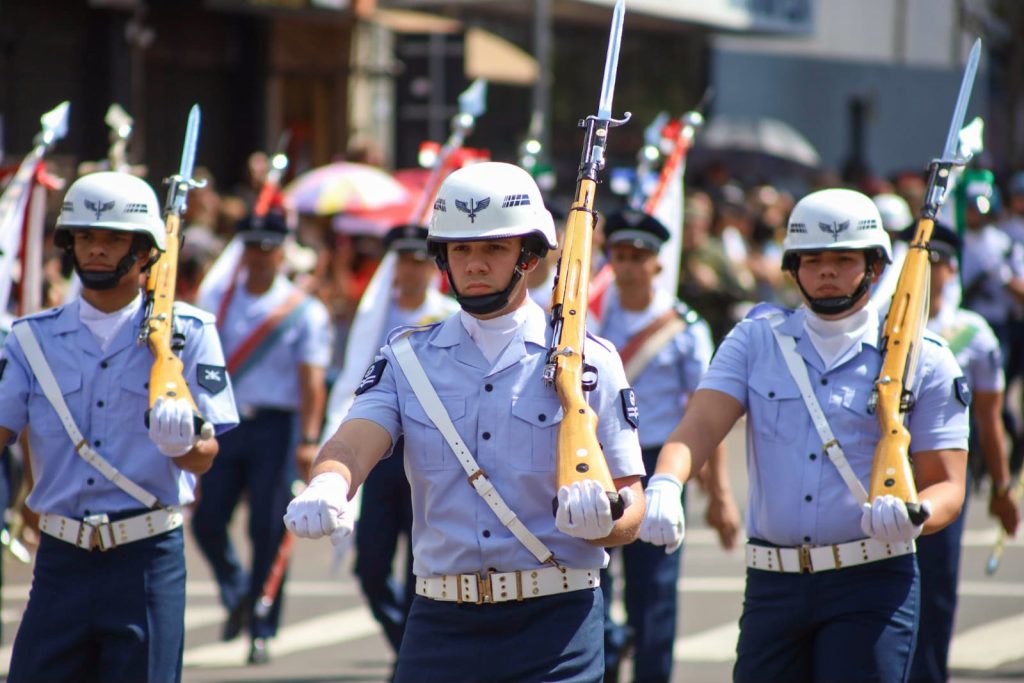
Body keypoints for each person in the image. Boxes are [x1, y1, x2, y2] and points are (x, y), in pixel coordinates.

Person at [284, 161, 646, 683]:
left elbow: (631, 497)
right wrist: (327, 483)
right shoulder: (408, 357)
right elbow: (355, 439)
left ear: (527, 256)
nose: (475, 263)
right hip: (441, 622)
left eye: (493, 248)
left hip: (556, 619)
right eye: (461, 249)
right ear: (443, 258)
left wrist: (608, 520)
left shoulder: (588, 361)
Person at [639, 188, 970, 683]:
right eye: (811, 260)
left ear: (875, 266)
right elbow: (700, 425)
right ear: (792, 268)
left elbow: (949, 482)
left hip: (871, 580)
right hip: (774, 583)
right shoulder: (755, 341)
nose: (827, 272)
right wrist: (666, 482)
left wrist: (915, 515)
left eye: (843, 259)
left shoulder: (924, 356)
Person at [0, 171, 238, 683]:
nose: (96, 251)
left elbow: (205, 453)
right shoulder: (28, 341)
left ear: (147, 250)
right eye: (85, 237)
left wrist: (183, 443)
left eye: (112, 239)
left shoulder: (188, 334)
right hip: (60, 559)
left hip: (146, 559)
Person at [596, 208, 741, 683]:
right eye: (621, 254)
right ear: (609, 259)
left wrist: (717, 493)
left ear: (659, 263)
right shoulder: (587, 318)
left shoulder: (684, 327)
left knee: (654, 592)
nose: (631, 264)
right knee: (587, 580)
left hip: (658, 460)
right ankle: (609, 646)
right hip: (595, 461)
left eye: (641, 255)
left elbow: (705, 414)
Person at [192, 210, 333, 665]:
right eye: (251, 247)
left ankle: (261, 625)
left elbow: (311, 381)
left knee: (267, 530)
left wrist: (309, 439)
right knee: (207, 521)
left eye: (268, 249)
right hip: (227, 424)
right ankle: (237, 593)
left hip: (277, 426)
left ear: (282, 253)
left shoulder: (302, 309)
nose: (258, 257)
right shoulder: (220, 300)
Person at [909, 223, 1021, 683]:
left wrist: (1001, 487)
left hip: (940, 483)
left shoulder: (972, 333)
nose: (930, 271)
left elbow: (991, 420)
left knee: (934, 599)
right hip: (879, 480)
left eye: (938, 261)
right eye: (922, 260)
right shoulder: (879, 325)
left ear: (953, 268)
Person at [352, 223, 458, 658]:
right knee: (371, 569)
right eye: (404, 259)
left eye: (419, 259)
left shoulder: (450, 314)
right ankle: (407, 646)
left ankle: (415, 658)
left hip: (431, 455)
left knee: (422, 569)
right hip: (382, 453)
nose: (411, 268)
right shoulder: (373, 314)